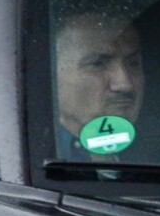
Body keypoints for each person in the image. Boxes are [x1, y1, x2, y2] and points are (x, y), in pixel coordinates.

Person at [53, 9, 144, 158]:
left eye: (133, 63)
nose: (125, 84)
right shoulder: (27, 159)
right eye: (97, 64)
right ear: (51, 73)